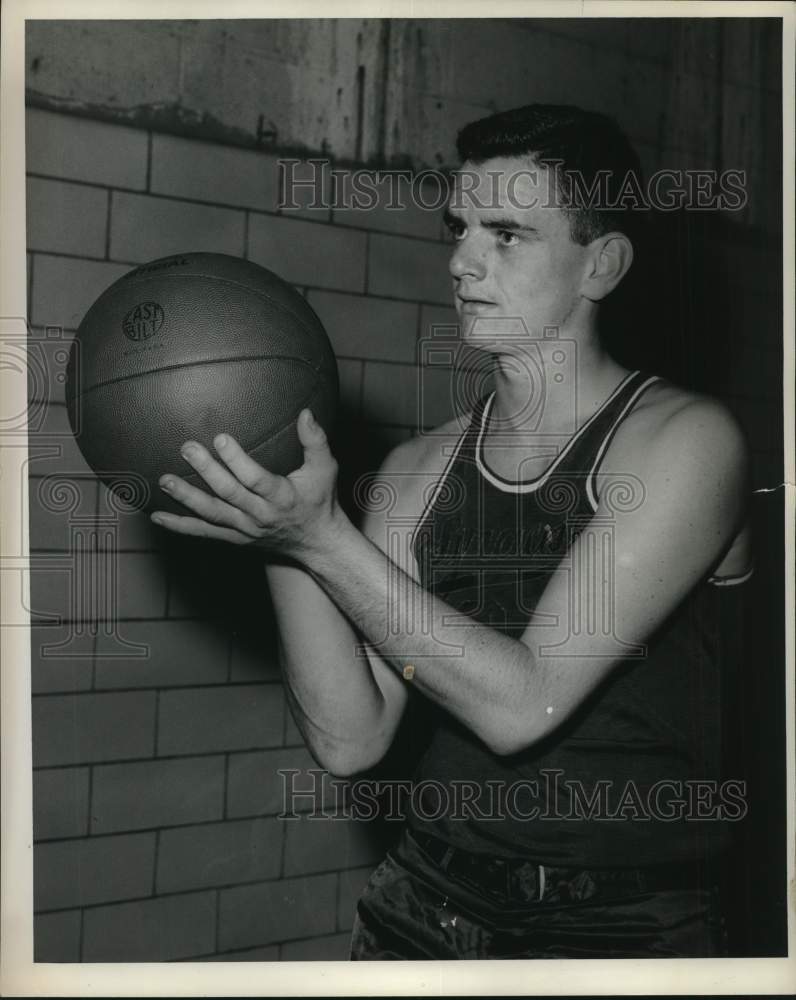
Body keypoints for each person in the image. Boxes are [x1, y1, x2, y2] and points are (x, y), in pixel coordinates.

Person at [150, 104, 753, 959]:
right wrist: (281, 534)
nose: (463, 261)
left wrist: (324, 540)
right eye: (459, 226)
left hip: (622, 929)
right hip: (424, 906)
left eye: (508, 234)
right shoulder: (415, 473)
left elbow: (524, 701)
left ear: (603, 266)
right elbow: (352, 741)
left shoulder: (689, 443)